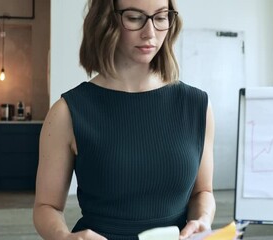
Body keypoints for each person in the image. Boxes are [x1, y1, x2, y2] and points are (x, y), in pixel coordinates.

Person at [33, 0, 216, 239]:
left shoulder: (196, 106)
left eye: (160, 17)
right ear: (106, 21)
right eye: (134, 17)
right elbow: (46, 207)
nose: (150, 32)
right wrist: (66, 238)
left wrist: (202, 219)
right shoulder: (66, 112)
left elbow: (203, 192)